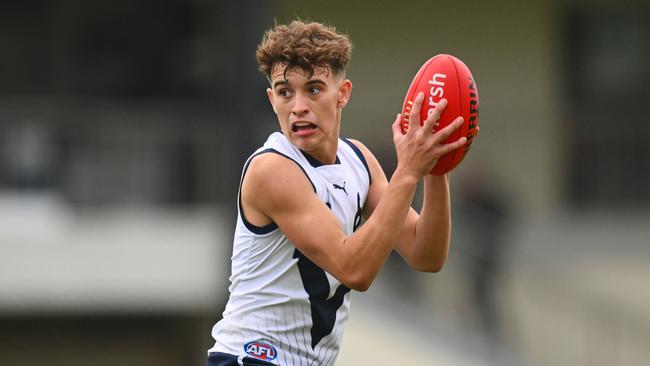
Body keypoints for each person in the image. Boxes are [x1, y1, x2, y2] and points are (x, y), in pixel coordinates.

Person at [207, 20, 467, 366]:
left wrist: (435, 166)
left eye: (313, 89)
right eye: (285, 92)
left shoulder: (358, 161)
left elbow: (426, 255)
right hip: (253, 358)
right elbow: (354, 269)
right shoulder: (272, 170)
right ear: (272, 99)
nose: (298, 106)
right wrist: (408, 171)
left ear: (342, 93)